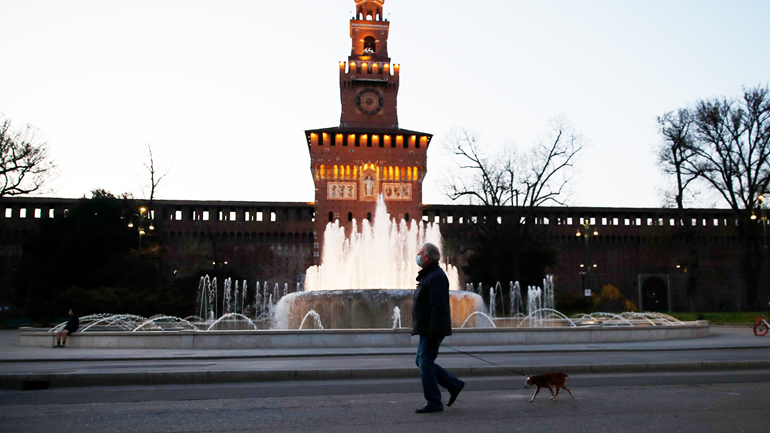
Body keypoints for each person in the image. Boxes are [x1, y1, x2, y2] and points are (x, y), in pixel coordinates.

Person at [412, 242, 465, 413]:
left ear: (427, 257)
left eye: (420, 253)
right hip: (427, 327)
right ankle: (453, 384)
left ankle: (434, 401)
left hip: (431, 328)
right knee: (421, 361)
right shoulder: (430, 275)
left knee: (425, 362)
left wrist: (434, 329)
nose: (418, 256)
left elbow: (438, 305)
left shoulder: (436, 277)